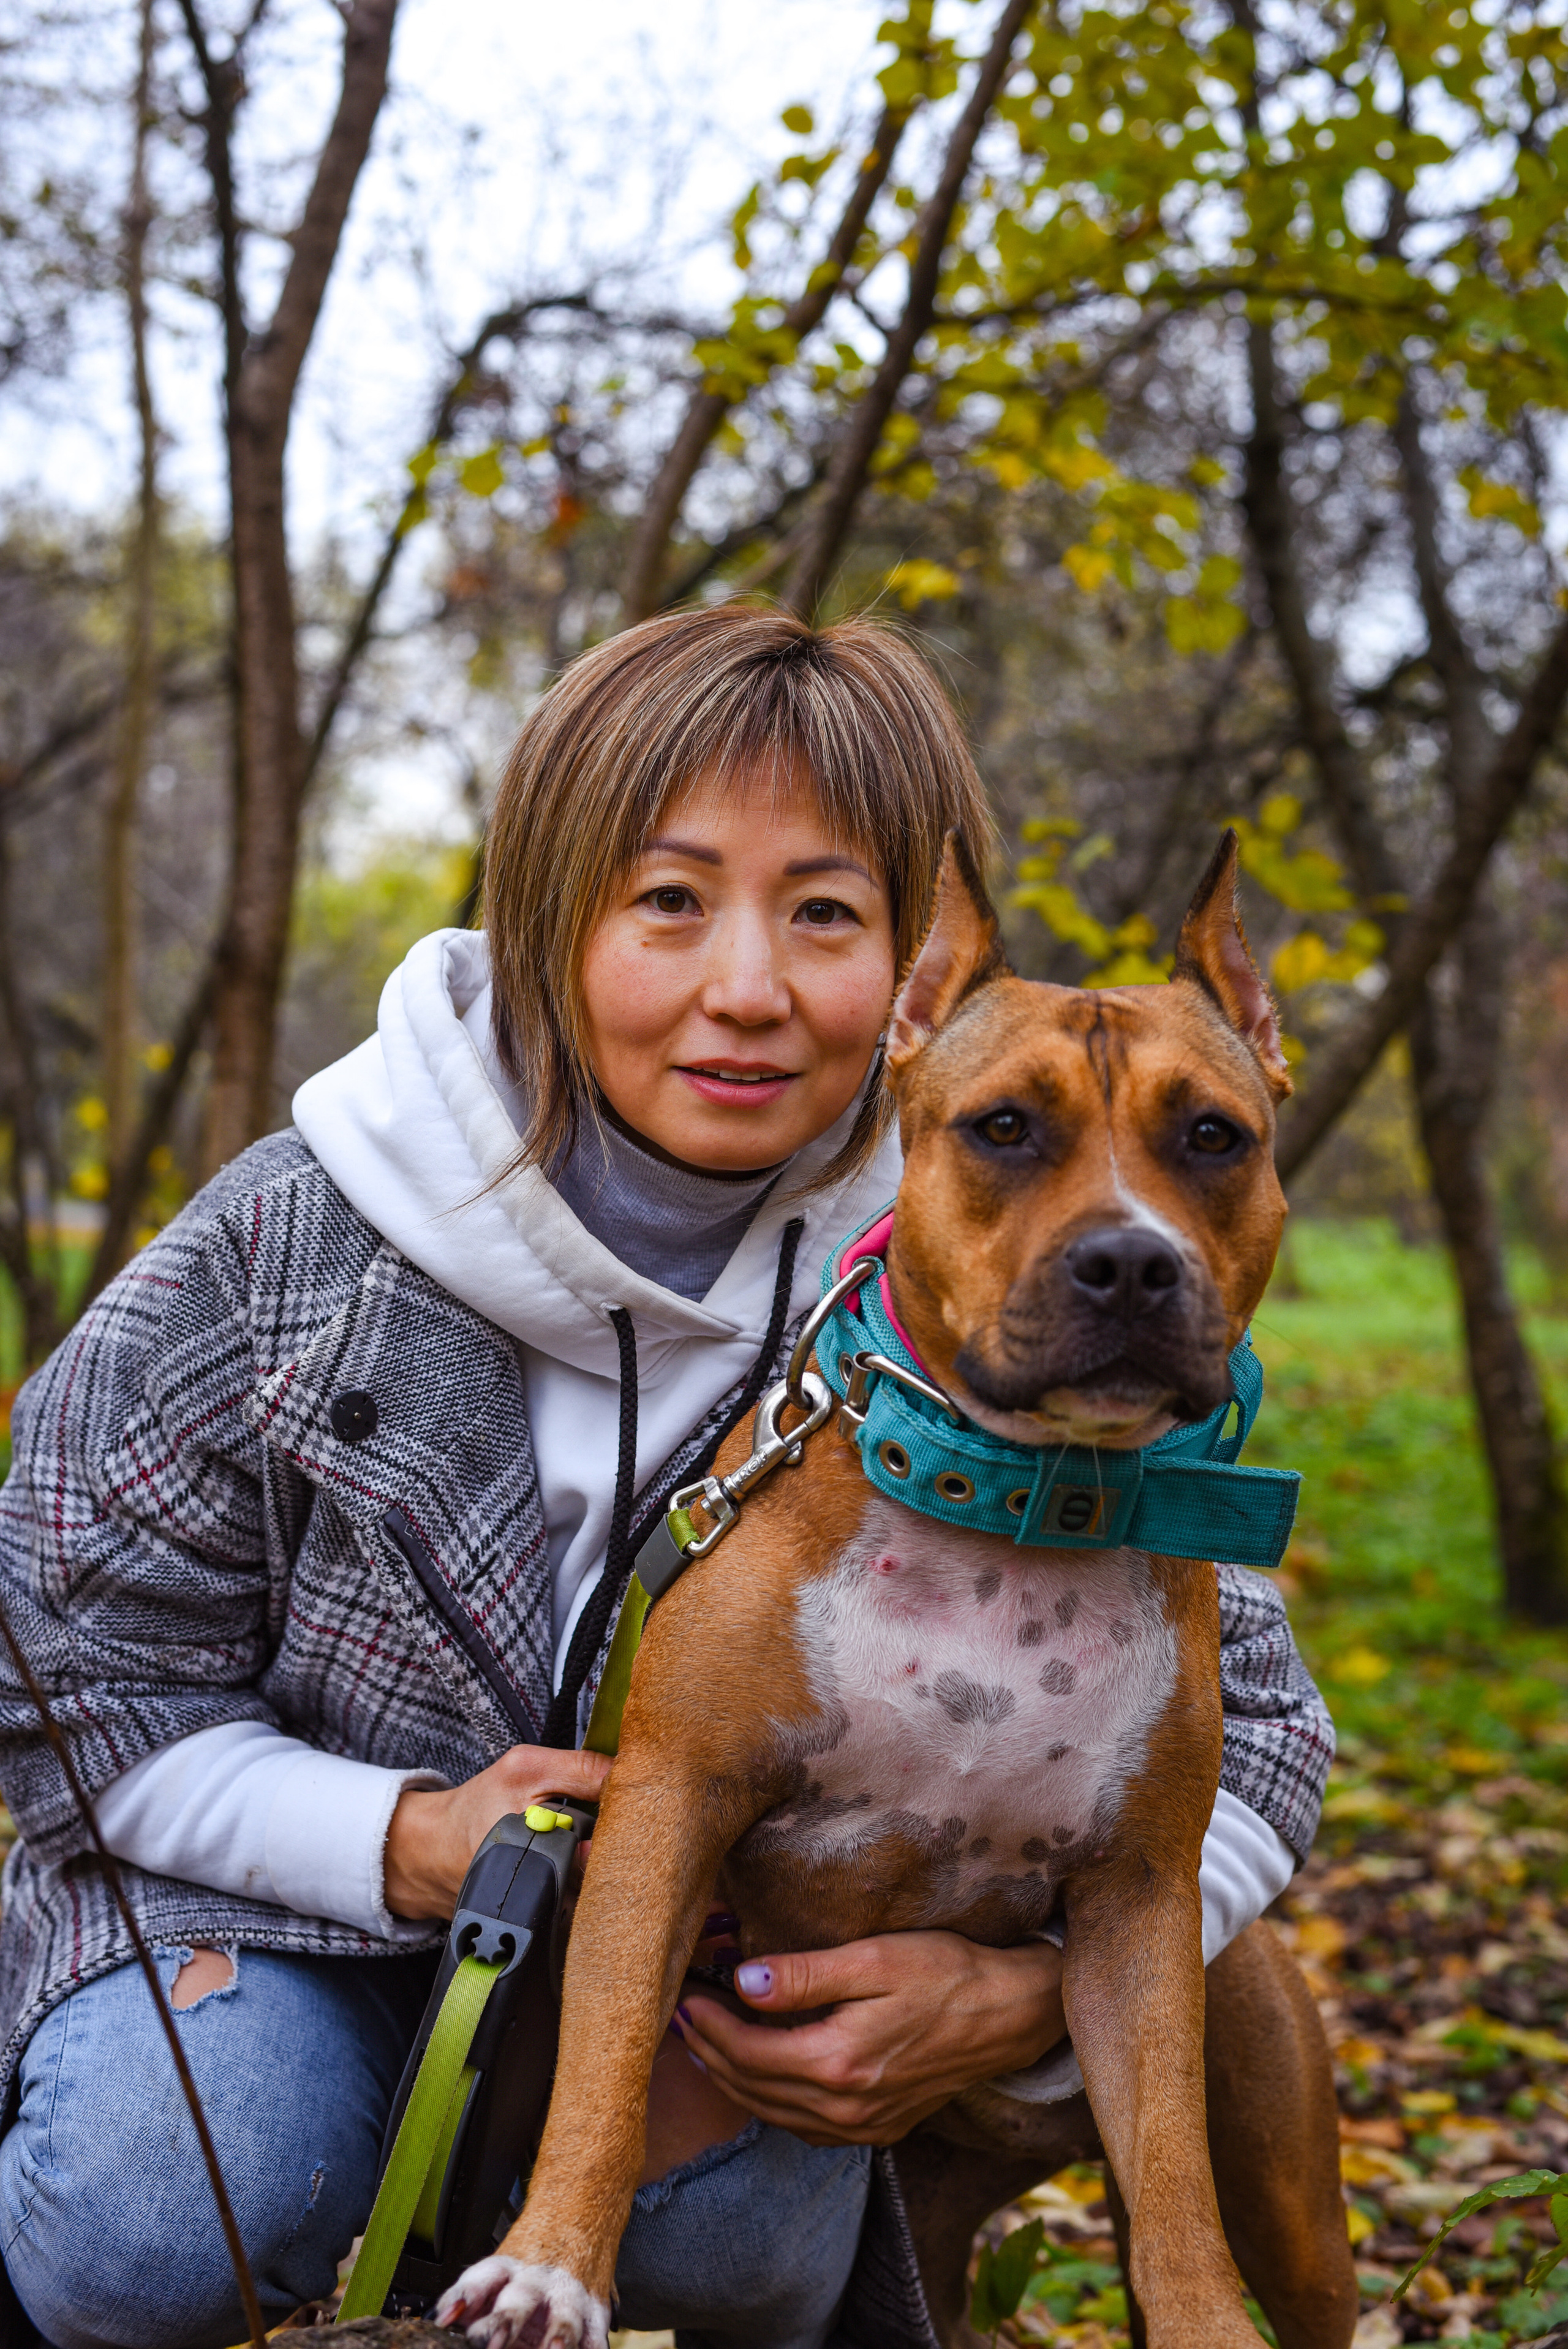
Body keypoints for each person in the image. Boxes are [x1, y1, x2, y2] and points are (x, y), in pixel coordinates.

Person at [0, 607, 1332, 2349]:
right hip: (277, 1930)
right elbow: (61, 1699)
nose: (753, 986)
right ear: (551, 913)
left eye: (830, 912)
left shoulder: (983, 1279)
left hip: (716, 2002)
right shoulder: (283, 1239)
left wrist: (1004, 1996)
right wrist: (407, 1840)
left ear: (914, 976)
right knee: (155, 2206)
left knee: (754, 2258)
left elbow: (1263, 1742)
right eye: (668, 897)